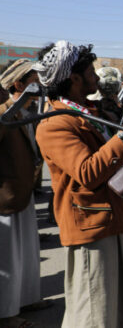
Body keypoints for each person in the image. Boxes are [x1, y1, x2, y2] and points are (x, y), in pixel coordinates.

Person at [34, 41, 123, 328]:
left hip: (110, 219)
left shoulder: (87, 113)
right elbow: (87, 172)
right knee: (93, 313)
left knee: (115, 310)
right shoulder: (55, 124)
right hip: (90, 226)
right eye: (90, 71)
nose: (96, 77)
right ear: (74, 79)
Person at [0, 59, 51, 328]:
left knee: (27, 252)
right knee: (7, 257)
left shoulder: (29, 112)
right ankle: (6, 314)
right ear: (18, 84)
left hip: (25, 193)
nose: (40, 85)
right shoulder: (4, 112)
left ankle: (28, 298)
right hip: (6, 198)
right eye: (34, 79)